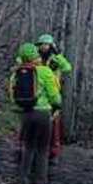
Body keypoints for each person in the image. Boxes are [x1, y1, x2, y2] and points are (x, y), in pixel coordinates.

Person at [8, 42, 62, 184]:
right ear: (35, 56)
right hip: (43, 114)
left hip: (26, 114)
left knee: (28, 149)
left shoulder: (16, 73)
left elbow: (12, 97)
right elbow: (54, 95)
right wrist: (57, 104)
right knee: (42, 150)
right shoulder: (45, 71)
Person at [35, 34, 72, 171]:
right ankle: (37, 152)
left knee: (54, 127)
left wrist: (58, 57)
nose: (44, 47)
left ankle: (54, 154)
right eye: (42, 44)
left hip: (53, 94)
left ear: (51, 46)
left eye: (47, 44)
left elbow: (67, 67)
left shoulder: (55, 58)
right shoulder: (35, 57)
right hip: (38, 96)